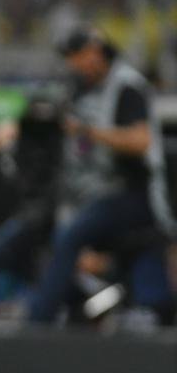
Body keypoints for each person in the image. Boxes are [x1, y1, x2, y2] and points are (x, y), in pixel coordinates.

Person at [28, 25, 174, 323]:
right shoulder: (80, 88)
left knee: (71, 237)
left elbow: (140, 140)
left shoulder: (127, 86)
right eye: (70, 57)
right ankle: (90, 310)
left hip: (134, 192)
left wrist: (90, 132)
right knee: (136, 259)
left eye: (79, 54)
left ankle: (39, 320)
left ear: (96, 51)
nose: (74, 63)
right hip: (93, 192)